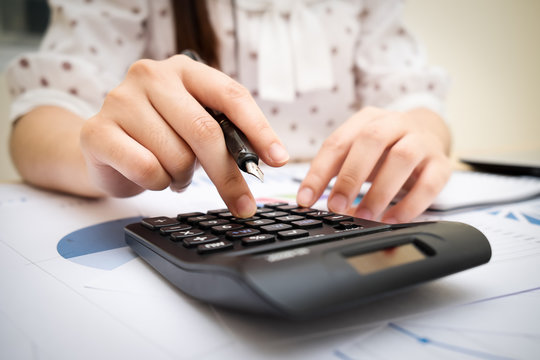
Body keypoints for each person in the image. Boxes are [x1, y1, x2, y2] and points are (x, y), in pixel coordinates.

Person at [6, 0, 451, 223]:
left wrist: (420, 131)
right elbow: (43, 113)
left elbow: (413, 99)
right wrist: (93, 158)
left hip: (339, 216)